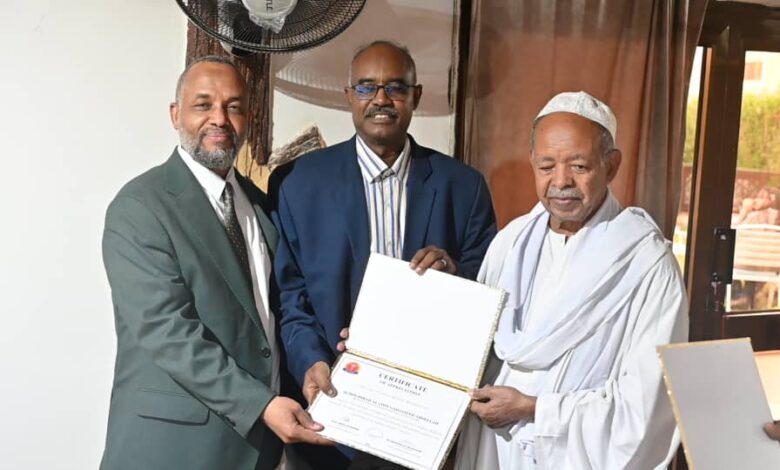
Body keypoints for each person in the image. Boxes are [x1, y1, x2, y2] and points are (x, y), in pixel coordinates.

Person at [271, 40, 497, 468]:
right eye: (366, 87)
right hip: (330, 412)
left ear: (416, 96)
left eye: (395, 87)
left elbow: (489, 288)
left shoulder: (463, 186)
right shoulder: (297, 182)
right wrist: (311, 361)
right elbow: (290, 296)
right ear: (348, 96)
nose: (380, 99)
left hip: (422, 418)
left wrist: (454, 272)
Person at [100, 56, 330, 470]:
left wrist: (316, 362)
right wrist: (261, 405)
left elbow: (275, 314)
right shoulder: (139, 207)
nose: (220, 119)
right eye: (203, 105)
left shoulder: (259, 205)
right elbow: (168, 332)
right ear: (175, 114)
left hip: (260, 450)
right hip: (172, 450)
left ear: (249, 118)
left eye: (234, 106)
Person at [455, 91, 689, 469]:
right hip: (494, 450)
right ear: (532, 162)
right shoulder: (509, 244)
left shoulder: (646, 263)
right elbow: (472, 353)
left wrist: (534, 409)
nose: (561, 181)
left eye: (579, 166)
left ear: (611, 166)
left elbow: (649, 401)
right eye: (546, 166)